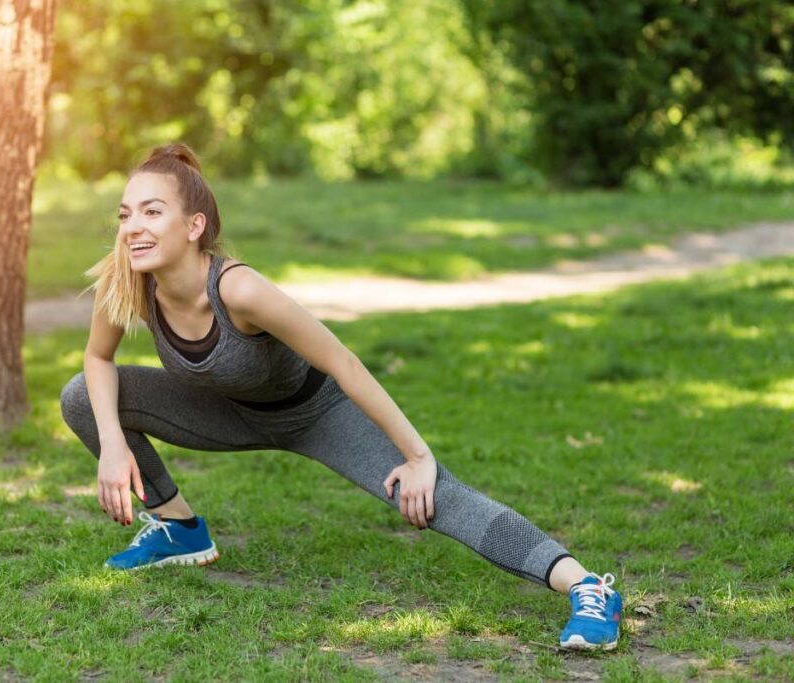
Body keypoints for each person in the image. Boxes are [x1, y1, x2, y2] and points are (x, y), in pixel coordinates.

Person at [59, 142, 623, 651]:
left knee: (434, 497)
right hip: (225, 413)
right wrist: (113, 443)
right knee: (82, 396)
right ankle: (179, 529)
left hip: (315, 413)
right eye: (125, 214)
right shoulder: (127, 279)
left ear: (194, 225)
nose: (132, 226)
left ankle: (587, 587)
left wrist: (418, 456)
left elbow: (344, 363)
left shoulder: (239, 288)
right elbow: (97, 360)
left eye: (152, 211)